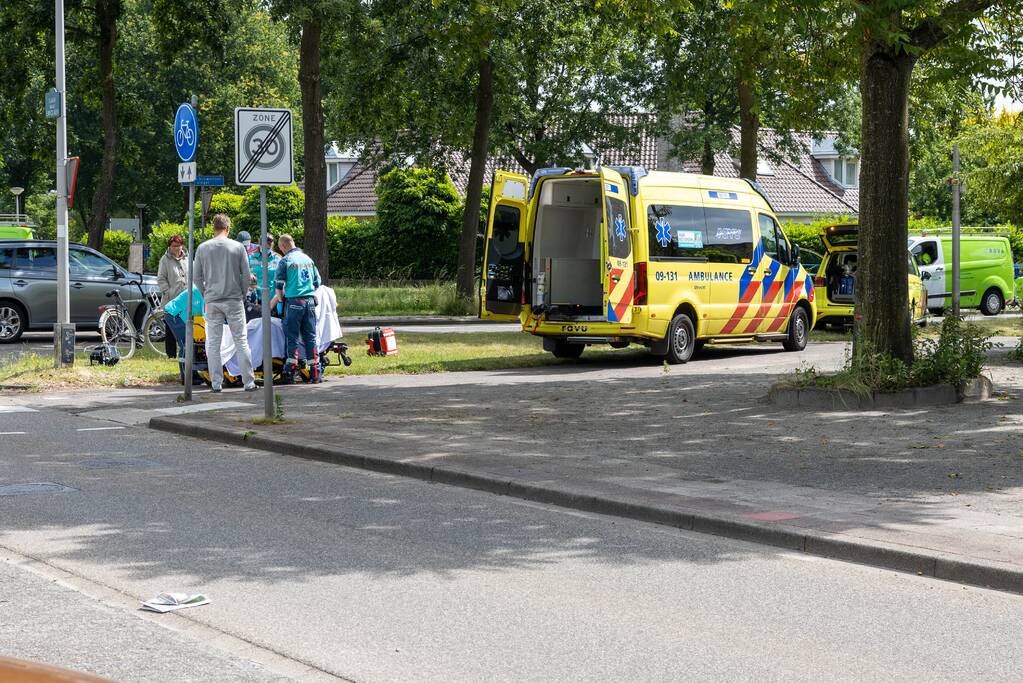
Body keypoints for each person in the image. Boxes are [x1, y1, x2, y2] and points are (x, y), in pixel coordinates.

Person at [193, 214, 256, 393]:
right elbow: (246, 274)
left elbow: (197, 276)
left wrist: (206, 293)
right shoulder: (237, 247)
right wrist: (243, 294)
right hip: (234, 299)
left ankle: (216, 382)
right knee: (241, 340)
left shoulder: (203, 248)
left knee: (213, 342)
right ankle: (248, 381)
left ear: (214, 228)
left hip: (213, 300)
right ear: (228, 228)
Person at [270, 234, 323, 384]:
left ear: (283, 246)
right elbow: (317, 282)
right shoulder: (308, 259)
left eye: (281, 248)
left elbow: (279, 286)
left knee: (291, 336)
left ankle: (290, 371)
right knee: (310, 337)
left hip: (294, 302)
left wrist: (280, 301)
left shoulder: (285, 261)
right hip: (310, 302)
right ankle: (315, 372)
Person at [161, 284, 203, 384]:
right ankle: (187, 376)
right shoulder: (198, 292)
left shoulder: (201, 290)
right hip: (174, 314)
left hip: (178, 313)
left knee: (190, 343)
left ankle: (192, 373)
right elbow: (202, 313)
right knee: (186, 344)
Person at [156, 234, 187, 358]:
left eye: (179, 246)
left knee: (185, 325)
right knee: (170, 327)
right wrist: (168, 292)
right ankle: (171, 354)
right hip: (171, 300)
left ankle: (185, 349)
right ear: (170, 246)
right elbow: (161, 278)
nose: (177, 248)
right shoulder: (165, 259)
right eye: (174, 246)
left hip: (185, 299)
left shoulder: (187, 258)